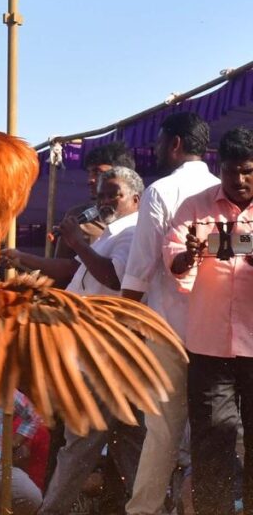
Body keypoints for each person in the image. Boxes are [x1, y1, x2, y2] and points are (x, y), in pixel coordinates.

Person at [120, 112, 218, 515]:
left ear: (175, 144)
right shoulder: (224, 189)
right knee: (213, 430)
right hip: (217, 332)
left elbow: (139, 270)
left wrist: (118, 326)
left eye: (160, 142)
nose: (157, 149)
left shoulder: (160, 191)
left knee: (162, 431)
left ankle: (144, 510)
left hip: (166, 330)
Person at [37, 166, 147, 515]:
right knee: (129, 443)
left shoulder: (132, 232)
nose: (105, 200)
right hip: (96, 350)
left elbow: (114, 278)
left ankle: (50, 510)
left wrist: (78, 244)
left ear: (135, 198)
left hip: (108, 353)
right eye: (100, 194)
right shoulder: (109, 234)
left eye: (112, 193)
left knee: (81, 444)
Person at [164, 127, 253, 515]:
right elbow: (173, 261)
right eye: (232, 171)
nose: (240, 180)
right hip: (209, 346)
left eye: (248, 171)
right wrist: (188, 256)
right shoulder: (196, 206)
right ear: (220, 168)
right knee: (211, 443)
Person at [3, 141, 137, 287]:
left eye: (99, 173)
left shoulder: (140, 222)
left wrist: (22, 257)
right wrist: (20, 260)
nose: (90, 180)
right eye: (90, 172)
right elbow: (64, 272)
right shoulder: (78, 217)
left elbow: (114, 278)